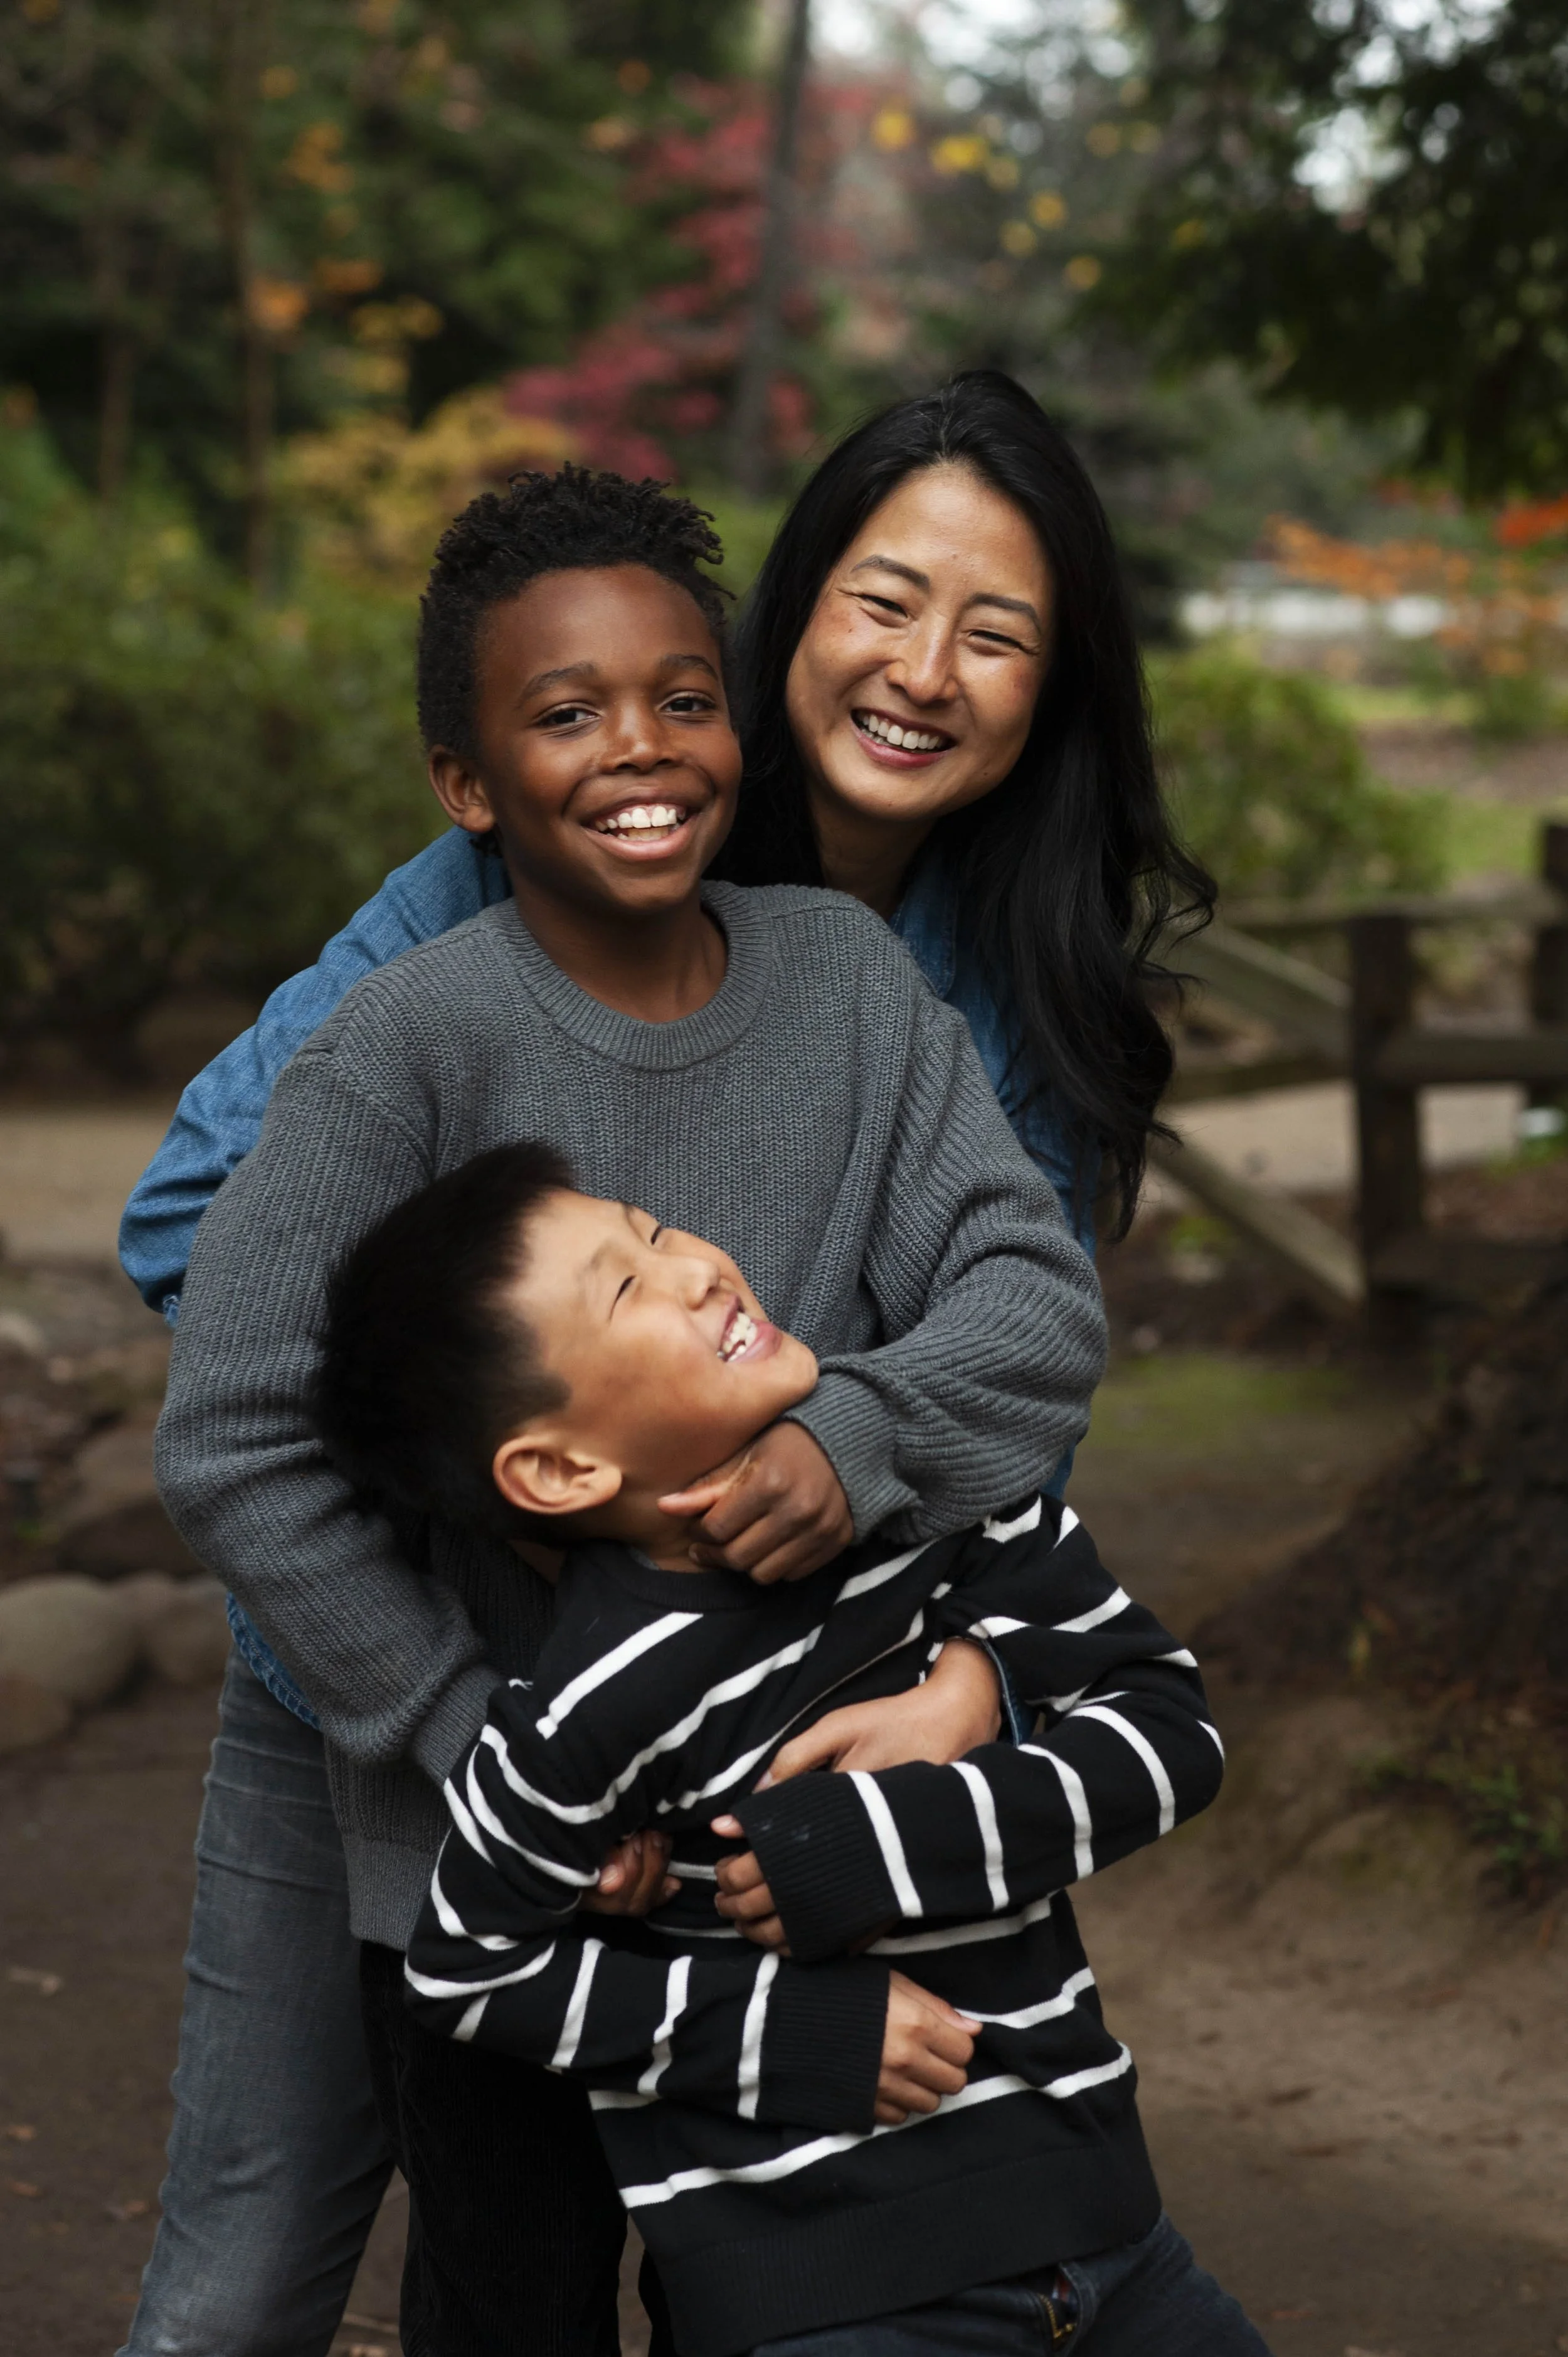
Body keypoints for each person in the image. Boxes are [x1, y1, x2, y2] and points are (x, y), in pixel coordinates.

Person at [117, 373, 1208, 2353]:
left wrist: (932, 1591)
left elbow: (1020, 1341)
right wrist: (517, 1598)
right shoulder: (457, 953)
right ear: (798, 615)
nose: (924, 668)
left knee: (778, 2260)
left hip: (751, 1760)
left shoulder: (909, 981)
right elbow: (217, 1291)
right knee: (288, 2260)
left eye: (996, 630)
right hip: (416, 1716)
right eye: (887, 599)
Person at [315, 1139, 1262, 2357]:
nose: (692, 1271)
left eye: (656, 1231)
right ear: (558, 1468)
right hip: (826, 2303)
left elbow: (1172, 1732)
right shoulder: (582, 1708)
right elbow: (467, 1969)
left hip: (1114, 2239)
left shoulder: (951, 1516)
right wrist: (792, 2036)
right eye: (624, 1288)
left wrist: (906, 1816)